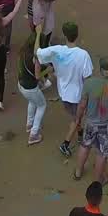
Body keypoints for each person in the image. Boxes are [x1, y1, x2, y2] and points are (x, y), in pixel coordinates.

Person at [39, 21, 94, 158]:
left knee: (76, 117)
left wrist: (38, 32)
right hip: (78, 96)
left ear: (65, 35)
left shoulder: (56, 50)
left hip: (63, 94)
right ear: (77, 34)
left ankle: (80, 134)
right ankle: (65, 144)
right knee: (76, 119)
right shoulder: (83, 55)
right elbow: (88, 78)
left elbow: (38, 54)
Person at [73, 55, 108, 184]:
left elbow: (82, 104)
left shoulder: (89, 83)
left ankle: (78, 171)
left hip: (90, 122)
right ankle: (98, 180)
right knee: (102, 154)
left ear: (100, 69)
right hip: (107, 126)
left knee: (85, 146)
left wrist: (78, 119)